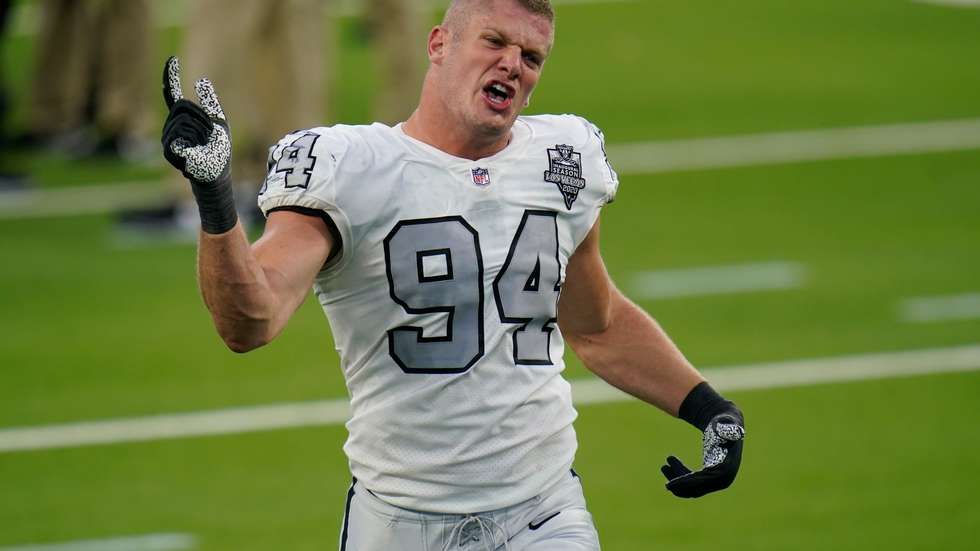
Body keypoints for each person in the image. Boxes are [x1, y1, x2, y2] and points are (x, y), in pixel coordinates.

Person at [159, 0, 746, 549]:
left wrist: (710, 410)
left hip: (544, 512)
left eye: (531, 56)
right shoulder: (349, 166)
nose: (512, 65)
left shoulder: (563, 157)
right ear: (439, 44)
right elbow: (250, 321)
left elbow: (598, 325)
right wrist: (215, 198)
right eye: (494, 42)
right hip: (399, 521)